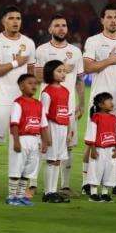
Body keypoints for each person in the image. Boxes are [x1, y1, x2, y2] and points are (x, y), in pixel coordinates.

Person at [0, 6, 36, 199]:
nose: (15, 21)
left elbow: (32, 74)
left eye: (18, 18)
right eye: (11, 18)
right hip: (3, 100)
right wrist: (15, 63)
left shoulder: (29, 43)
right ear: (4, 21)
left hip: (23, 102)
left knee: (24, 144)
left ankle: (21, 188)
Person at [82, 5, 116, 196]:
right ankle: (87, 182)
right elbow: (87, 67)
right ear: (102, 20)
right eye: (109, 17)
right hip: (98, 99)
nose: (113, 20)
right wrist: (110, 61)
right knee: (93, 141)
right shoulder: (93, 41)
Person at [35, 15, 85, 196]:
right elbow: (37, 76)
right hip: (49, 105)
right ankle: (34, 184)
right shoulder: (41, 50)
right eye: (57, 25)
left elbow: (80, 79)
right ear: (50, 30)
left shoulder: (76, 51)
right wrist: (61, 67)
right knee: (45, 144)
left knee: (68, 145)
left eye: (64, 25)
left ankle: (64, 185)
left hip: (69, 106)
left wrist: (82, 102)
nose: (61, 28)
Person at [6, 74, 49, 207]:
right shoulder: (18, 103)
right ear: (21, 86)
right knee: (16, 168)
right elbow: (14, 124)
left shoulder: (38, 104)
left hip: (34, 141)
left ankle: (20, 196)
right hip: (21, 139)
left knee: (28, 170)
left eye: (35, 83)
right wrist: (16, 141)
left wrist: (45, 141)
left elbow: (43, 125)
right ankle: (11, 196)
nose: (34, 86)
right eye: (30, 83)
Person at [85, 92, 116, 202]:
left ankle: (105, 193)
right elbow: (92, 133)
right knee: (95, 170)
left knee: (110, 171)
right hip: (98, 150)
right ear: (101, 104)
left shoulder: (114, 118)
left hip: (111, 150)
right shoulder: (96, 117)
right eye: (109, 101)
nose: (112, 103)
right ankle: (93, 193)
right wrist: (92, 149)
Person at [40, 60, 71, 203]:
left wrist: (69, 131)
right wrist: (46, 136)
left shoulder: (66, 91)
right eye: (59, 71)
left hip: (63, 129)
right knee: (51, 160)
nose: (63, 73)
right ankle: (48, 192)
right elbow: (43, 116)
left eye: (64, 71)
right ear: (49, 73)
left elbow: (67, 113)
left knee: (58, 160)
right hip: (52, 127)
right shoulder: (47, 92)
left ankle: (54, 191)